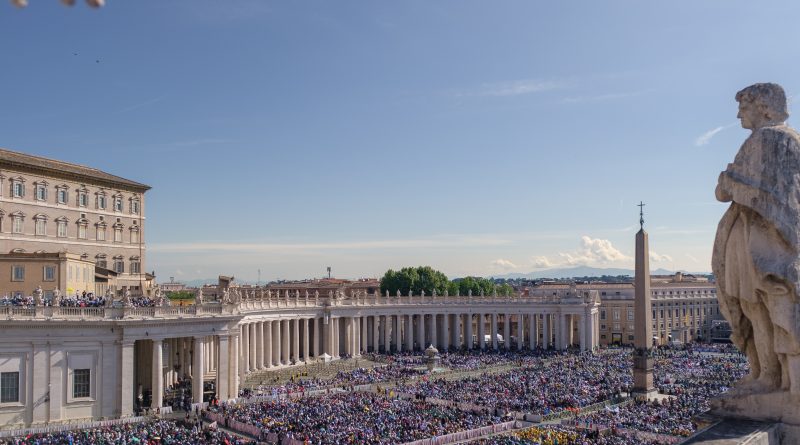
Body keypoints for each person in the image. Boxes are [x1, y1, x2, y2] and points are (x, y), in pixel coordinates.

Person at [713, 82, 800, 394]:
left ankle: (769, 377)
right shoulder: (782, 140)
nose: (739, 114)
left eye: (744, 107)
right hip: (758, 237)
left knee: (761, 309)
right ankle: (770, 376)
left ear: (763, 107)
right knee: (759, 309)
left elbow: (728, 191)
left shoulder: (768, 139)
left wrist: (730, 183)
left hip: (760, 240)